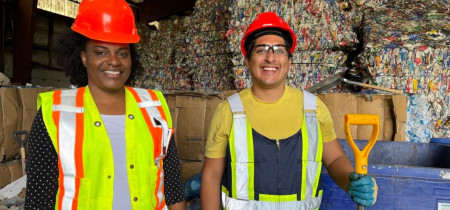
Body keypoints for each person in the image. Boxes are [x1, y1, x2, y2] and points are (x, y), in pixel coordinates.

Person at [201, 12, 378, 209]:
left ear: (289, 61)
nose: (270, 57)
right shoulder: (228, 112)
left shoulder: (313, 109)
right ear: (247, 61)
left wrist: (351, 182)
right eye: (261, 50)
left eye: (279, 50)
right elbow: (211, 176)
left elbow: (335, 158)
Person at [24, 0, 186, 209]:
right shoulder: (54, 113)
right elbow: (38, 201)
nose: (114, 61)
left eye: (122, 53)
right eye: (101, 52)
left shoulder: (154, 107)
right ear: (83, 57)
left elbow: (172, 188)